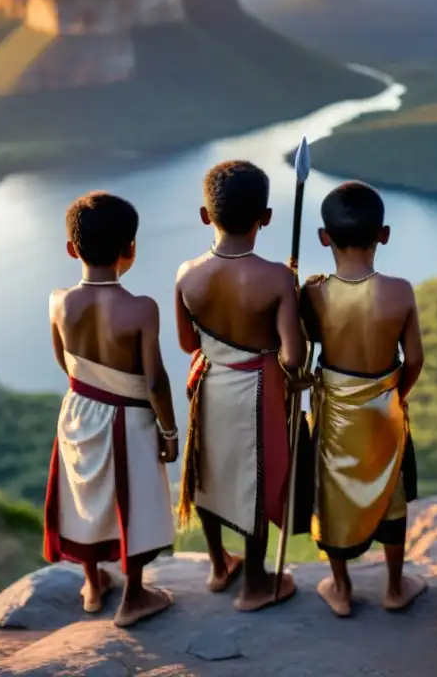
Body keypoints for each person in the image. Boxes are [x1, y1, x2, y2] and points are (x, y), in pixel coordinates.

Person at [175, 160, 306, 612]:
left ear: (204, 215)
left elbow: (187, 342)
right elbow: (293, 355)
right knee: (258, 477)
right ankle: (253, 582)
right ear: (266, 218)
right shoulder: (276, 277)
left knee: (208, 472)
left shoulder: (186, 274)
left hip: (210, 381)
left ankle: (218, 566)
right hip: (259, 386)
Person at [44, 191, 179, 629]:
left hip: (80, 409)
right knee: (134, 500)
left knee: (84, 495)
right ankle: (135, 595)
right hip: (130, 418)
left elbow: (62, 360)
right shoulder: (141, 309)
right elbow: (155, 378)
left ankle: (92, 583)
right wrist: (170, 430)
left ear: (71, 248)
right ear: (130, 249)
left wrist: (94, 387)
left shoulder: (59, 302)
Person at [300, 181, 427, 618]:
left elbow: (298, 356)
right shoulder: (400, 291)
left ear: (323, 236)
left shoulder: (314, 293)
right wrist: (393, 394)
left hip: (335, 410)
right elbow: (415, 359)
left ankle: (341, 587)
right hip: (385, 408)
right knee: (390, 491)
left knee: (332, 493)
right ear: (384, 234)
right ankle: (394, 587)